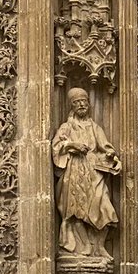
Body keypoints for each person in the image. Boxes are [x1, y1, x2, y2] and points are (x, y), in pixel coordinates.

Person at [52, 87, 121, 258]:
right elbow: (56, 146)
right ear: (72, 106)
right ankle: (84, 247)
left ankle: (99, 246)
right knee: (75, 212)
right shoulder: (67, 127)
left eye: (84, 102)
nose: (81, 105)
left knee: (104, 207)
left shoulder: (94, 127)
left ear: (89, 104)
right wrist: (72, 145)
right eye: (77, 102)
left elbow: (106, 148)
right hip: (74, 172)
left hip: (93, 172)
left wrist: (112, 157)